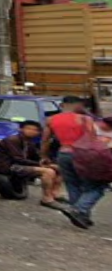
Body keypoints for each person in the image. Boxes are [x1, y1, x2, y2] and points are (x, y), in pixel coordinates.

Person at [43, 96, 107, 229]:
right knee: (96, 186)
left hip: (63, 154)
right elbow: (92, 139)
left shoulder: (51, 120)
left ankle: (82, 217)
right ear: (77, 105)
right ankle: (79, 210)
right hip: (82, 154)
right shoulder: (84, 119)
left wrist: (44, 156)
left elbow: (45, 141)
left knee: (73, 185)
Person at [0, 120, 65, 208]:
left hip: (20, 165)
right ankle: (47, 199)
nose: (31, 131)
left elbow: (36, 155)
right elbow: (18, 159)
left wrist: (46, 161)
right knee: (48, 172)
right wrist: (40, 165)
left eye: (35, 130)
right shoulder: (12, 140)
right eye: (28, 129)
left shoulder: (29, 142)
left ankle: (55, 193)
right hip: (9, 166)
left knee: (59, 168)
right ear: (21, 129)